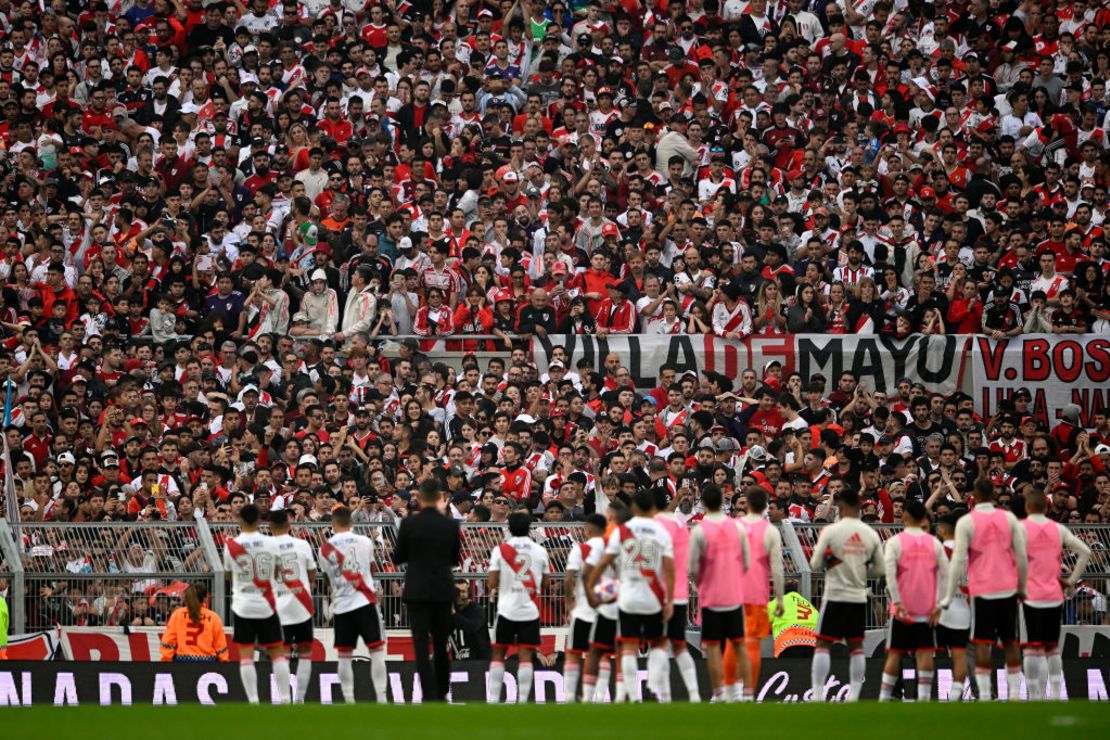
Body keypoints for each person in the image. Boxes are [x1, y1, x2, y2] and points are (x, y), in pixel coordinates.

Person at [940, 478, 1028, 702]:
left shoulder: (967, 522)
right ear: (994, 495)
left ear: (975, 496)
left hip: (982, 592)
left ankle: (986, 694)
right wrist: (1022, 587)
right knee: (1010, 641)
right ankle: (1015, 694)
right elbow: (1021, 556)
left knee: (981, 642)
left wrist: (949, 595)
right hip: (1008, 589)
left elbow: (958, 561)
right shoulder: (1008, 518)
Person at [586, 490, 675, 703]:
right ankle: (658, 691)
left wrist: (591, 586)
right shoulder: (662, 531)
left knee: (627, 647)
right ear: (653, 508)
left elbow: (605, 562)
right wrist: (670, 600)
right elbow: (670, 570)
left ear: (634, 508)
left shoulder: (623, 530)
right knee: (658, 645)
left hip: (627, 597)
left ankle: (632, 695)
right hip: (653, 596)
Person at [808, 487, 883, 702]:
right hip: (858, 597)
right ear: (859, 507)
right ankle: (854, 695)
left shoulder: (831, 532)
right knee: (856, 646)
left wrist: (833, 562)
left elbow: (814, 564)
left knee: (823, 643)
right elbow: (880, 570)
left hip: (834, 595)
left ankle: (818, 693)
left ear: (840, 507)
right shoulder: (869, 533)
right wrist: (861, 567)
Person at [393, 478, 461, 702]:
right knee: (441, 644)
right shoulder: (450, 525)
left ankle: (428, 694)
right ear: (439, 498)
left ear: (420, 498)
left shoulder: (410, 524)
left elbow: (399, 556)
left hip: (417, 589)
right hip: (442, 589)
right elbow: (454, 559)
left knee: (421, 644)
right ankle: (442, 693)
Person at [1021, 488, 1091, 700]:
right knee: (1052, 646)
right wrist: (1070, 581)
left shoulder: (1021, 528)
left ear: (1028, 507)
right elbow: (1085, 552)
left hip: (1031, 595)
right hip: (1053, 595)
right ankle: (1055, 691)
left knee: (1032, 647)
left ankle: (1034, 693)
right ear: (1046, 506)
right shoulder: (1058, 529)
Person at [879, 499, 948, 702]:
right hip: (927, 609)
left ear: (906, 517)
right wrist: (939, 604)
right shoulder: (934, 543)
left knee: (894, 652)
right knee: (925, 652)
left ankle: (885, 696)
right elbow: (946, 576)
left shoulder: (895, 541)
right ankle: (924, 698)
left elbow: (890, 575)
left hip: (902, 609)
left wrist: (898, 602)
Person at [319, 504, 389, 704]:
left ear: (333, 523)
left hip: (342, 605)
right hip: (364, 602)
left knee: (344, 655)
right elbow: (373, 569)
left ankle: (349, 699)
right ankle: (381, 697)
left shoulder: (326, 548)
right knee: (376, 651)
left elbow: (326, 578)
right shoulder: (365, 541)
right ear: (351, 521)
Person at [688, 483, 750, 702]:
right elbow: (746, 562)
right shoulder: (738, 527)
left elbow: (692, 567)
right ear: (723, 501)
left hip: (711, 597)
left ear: (703, 502)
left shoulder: (699, 530)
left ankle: (720, 692)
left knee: (713, 647)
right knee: (739, 645)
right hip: (734, 595)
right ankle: (742, 692)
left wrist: (700, 583)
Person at [225, 503, 290, 705]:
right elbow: (279, 572)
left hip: (243, 605)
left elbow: (229, 575)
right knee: (277, 654)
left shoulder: (231, 546)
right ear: (260, 520)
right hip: (267, 604)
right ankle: (286, 699)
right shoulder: (272, 543)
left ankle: (253, 701)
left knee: (246, 655)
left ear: (240, 520)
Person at [728, 485, 786, 699]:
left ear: (749, 503)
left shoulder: (735, 526)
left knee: (732, 641)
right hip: (757, 595)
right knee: (752, 644)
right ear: (765, 506)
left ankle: (727, 691)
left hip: (733, 594)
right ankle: (748, 694)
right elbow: (777, 568)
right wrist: (779, 599)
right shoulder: (770, 531)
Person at [487, 510, 550, 704]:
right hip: (529, 610)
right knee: (525, 655)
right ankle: (523, 701)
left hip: (506, 609)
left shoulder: (500, 550)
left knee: (498, 653)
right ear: (529, 528)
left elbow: (492, 582)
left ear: (509, 528)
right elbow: (546, 583)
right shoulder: (540, 551)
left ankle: (493, 700)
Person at [653, 488, 700, 702]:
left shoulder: (652, 529)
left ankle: (665, 695)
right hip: (680, 595)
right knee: (679, 644)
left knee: (660, 644)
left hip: (658, 596)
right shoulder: (682, 527)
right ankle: (693, 692)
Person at [582, 501, 630, 703]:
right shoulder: (636, 537)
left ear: (612, 516)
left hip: (609, 600)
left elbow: (591, 570)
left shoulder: (609, 538)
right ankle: (619, 695)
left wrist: (594, 594)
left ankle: (590, 698)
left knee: (597, 650)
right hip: (631, 599)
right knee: (624, 649)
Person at [270, 509, 316, 703]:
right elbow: (312, 574)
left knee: (281, 654)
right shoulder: (302, 544)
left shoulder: (266, 547)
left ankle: (283, 698)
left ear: (270, 527)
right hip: (302, 605)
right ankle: (301, 699)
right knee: (305, 653)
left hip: (279, 608)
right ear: (289, 525)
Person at [563, 513, 606, 703]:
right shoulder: (614, 550)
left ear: (588, 530)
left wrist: (569, 603)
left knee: (573, 653)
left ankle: (570, 698)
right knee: (602, 654)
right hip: (606, 611)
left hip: (582, 610)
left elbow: (568, 577)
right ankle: (596, 697)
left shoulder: (581, 549)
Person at [935, 514, 971, 702]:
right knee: (960, 652)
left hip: (940, 609)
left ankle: (926, 692)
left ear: (942, 530)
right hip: (963, 608)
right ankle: (957, 691)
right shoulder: (967, 552)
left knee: (930, 651)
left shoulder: (938, 551)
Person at [159, 583, 228, 663]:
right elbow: (221, 648)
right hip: (208, 665)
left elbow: (168, 643)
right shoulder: (213, 617)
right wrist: (224, 663)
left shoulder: (177, 615)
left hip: (182, 663)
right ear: (205, 598)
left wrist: (165, 662)